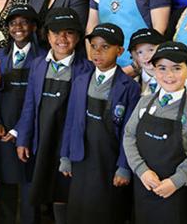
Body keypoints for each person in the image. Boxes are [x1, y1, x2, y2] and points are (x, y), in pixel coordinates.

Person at [14, 7, 93, 224]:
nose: (62, 38)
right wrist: (23, 138)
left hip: (65, 143)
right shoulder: (38, 65)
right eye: (56, 32)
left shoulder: (86, 69)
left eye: (69, 32)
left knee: (63, 192)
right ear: (47, 36)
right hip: (40, 139)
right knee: (34, 187)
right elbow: (29, 105)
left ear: (77, 37)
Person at [60, 23, 140, 224]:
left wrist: (124, 166)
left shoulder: (129, 87)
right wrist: (65, 155)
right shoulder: (80, 79)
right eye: (94, 46)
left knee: (105, 211)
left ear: (119, 50)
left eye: (105, 47)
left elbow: (128, 133)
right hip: (81, 156)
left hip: (108, 159)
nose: (98, 52)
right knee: (78, 210)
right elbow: (70, 120)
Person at [123, 41, 187, 224]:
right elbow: (129, 136)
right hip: (144, 185)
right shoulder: (145, 102)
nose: (168, 75)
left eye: (176, 68)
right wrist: (141, 170)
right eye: (162, 68)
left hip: (175, 191)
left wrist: (176, 181)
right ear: (154, 70)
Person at [0, 4, 45, 224]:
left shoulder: (43, 57)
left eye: (23, 22)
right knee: (7, 181)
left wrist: (19, 129)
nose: (18, 28)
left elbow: (38, 101)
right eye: (12, 23)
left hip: (29, 129)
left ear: (33, 26)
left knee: (29, 184)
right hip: (3, 127)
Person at [128, 28, 164, 95]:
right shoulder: (133, 84)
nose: (146, 56)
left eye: (151, 50)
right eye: (140, 52)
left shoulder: (174, 79)